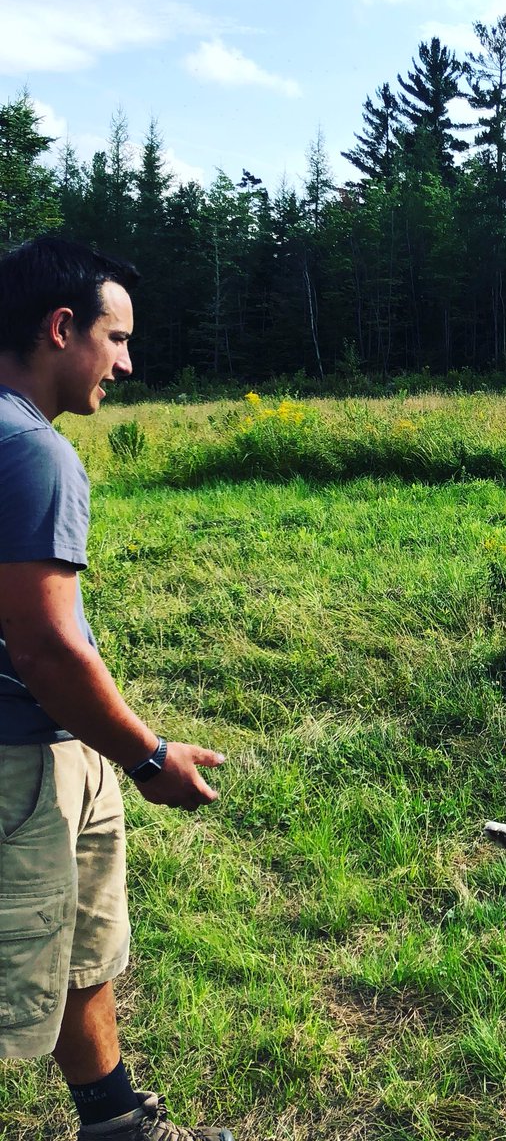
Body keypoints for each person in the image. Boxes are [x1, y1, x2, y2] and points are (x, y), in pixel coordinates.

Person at [0, 237, 234, 1141]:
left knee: (76, 952)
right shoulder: (33, 454)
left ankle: (116, 1123)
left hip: (62, 745)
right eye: (117, 337)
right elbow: (47, 647)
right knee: (25, 959)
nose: (128, 363)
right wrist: (147, 756)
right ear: (62, 329)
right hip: (23, 760)